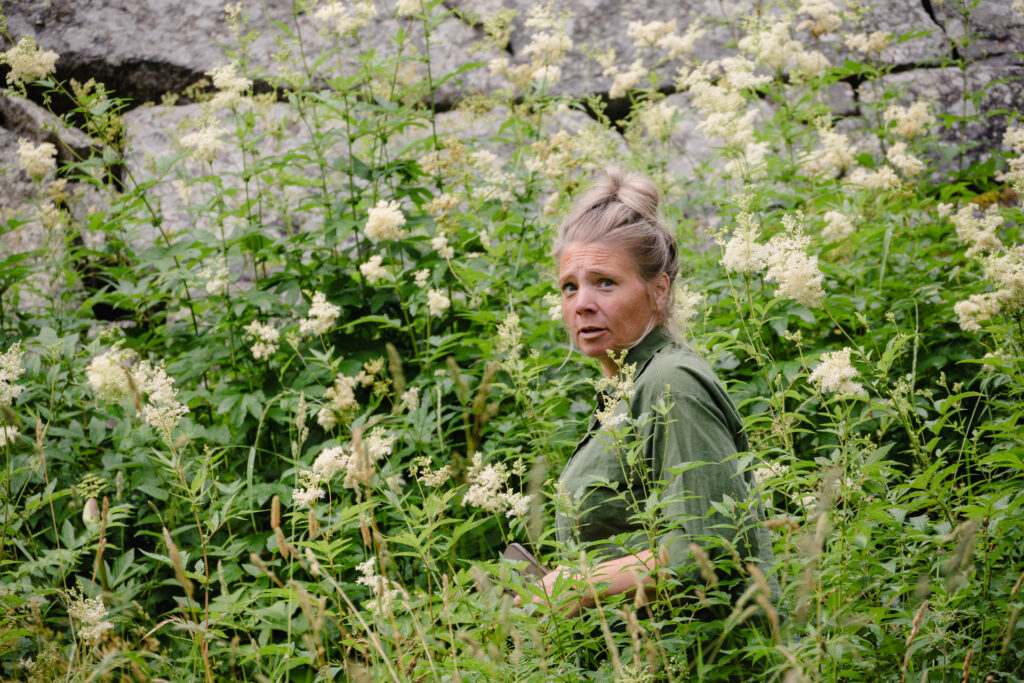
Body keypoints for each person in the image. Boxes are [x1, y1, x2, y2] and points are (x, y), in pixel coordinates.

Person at [516, 167, 774, 620]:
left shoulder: (671, 383)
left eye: (605, 282)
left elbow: (711, 550)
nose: (581, 303)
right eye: (569, 287)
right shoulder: (625, 387)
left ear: (658, 290)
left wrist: (579, 584)